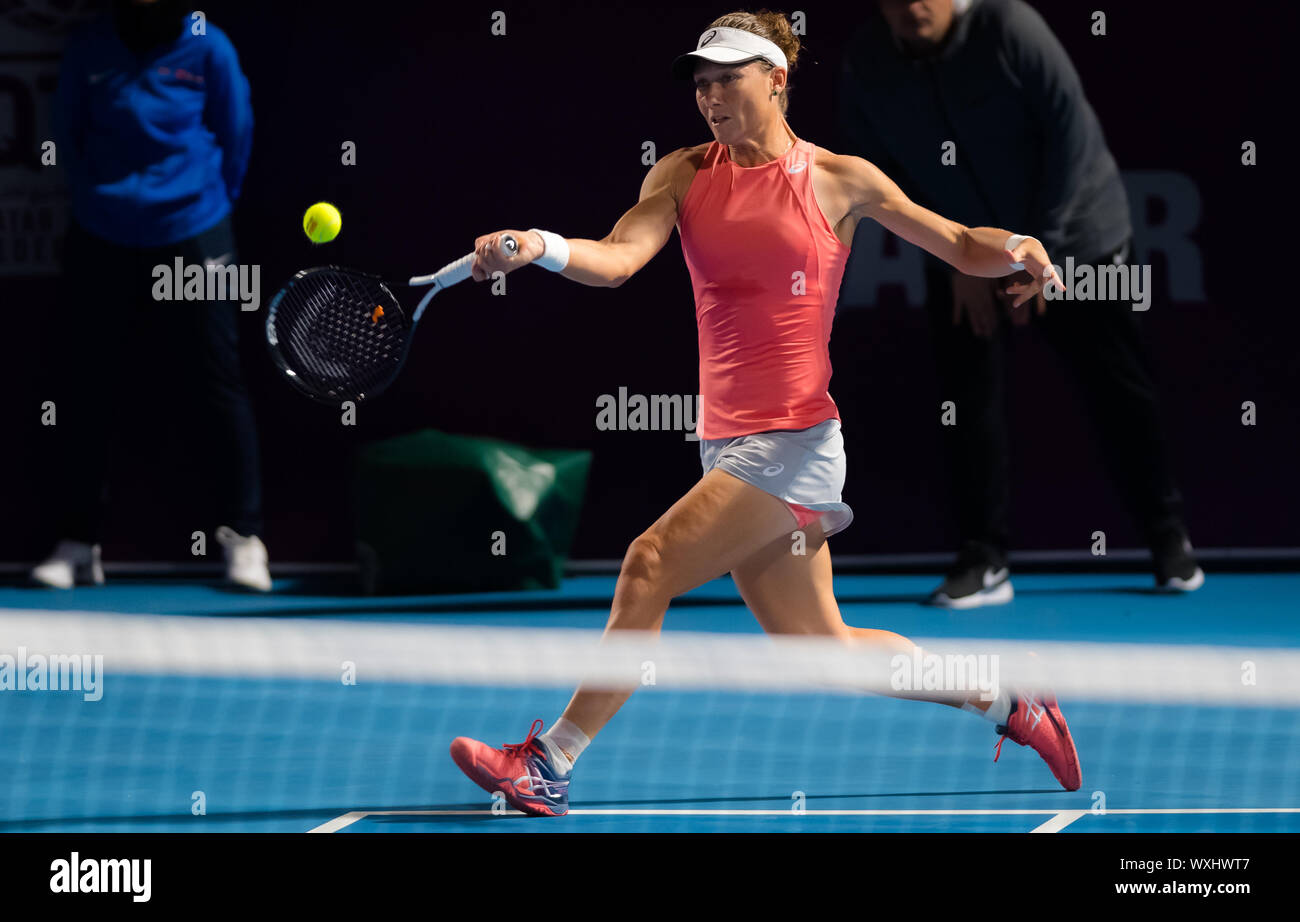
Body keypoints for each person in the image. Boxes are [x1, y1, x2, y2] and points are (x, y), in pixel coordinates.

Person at [449, 10, 1080, 816]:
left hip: (793, 443)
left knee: (648, 566)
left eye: (727, 78)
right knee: (824, 650)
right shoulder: (680, 173)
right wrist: (542, 242)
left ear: (775, 78)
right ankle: (1011, 699)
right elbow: (616, 261)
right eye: (701, 83)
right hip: (727, 445)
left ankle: (549, 762)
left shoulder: (840, 179)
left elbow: (958, 241)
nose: (709, 96)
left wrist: (1020, 243)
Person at [836, 0, 1203, 608]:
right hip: (964, 255)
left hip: (1077, 238)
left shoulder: (1011, 28)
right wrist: (957, 256)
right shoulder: (868, 61)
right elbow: (879, 177)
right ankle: (984, 559)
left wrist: (1038, 255)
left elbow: (1070, 138)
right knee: (966, 398)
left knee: (1118, 391)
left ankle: (1169, 539)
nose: (911, 6)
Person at [32, 0, 269, 591]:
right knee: (86, 387)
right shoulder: (90, 43)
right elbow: (66, 133)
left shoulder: (208, 43)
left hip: (195, 231)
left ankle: (244, 539)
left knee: (218, 380)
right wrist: (103, 202)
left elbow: (236, 133)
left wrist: (203, 208)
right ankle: (77, 544)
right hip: (100, 235)